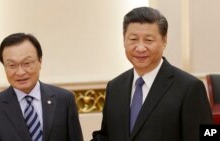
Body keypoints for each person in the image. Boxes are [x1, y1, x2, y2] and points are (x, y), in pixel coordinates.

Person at [91, 7, 212, 141]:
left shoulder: (190, 88)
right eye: (133, 39)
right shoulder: (115, 86)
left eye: (149, 40)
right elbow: (106, 136)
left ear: (164, 40)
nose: (140, 48)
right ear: (124, 40)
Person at [0, 33, 84, 141]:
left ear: (40, 61)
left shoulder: (64, 100)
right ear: (4, 67)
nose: (20, 72)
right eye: (12, 65)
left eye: (27, 63)